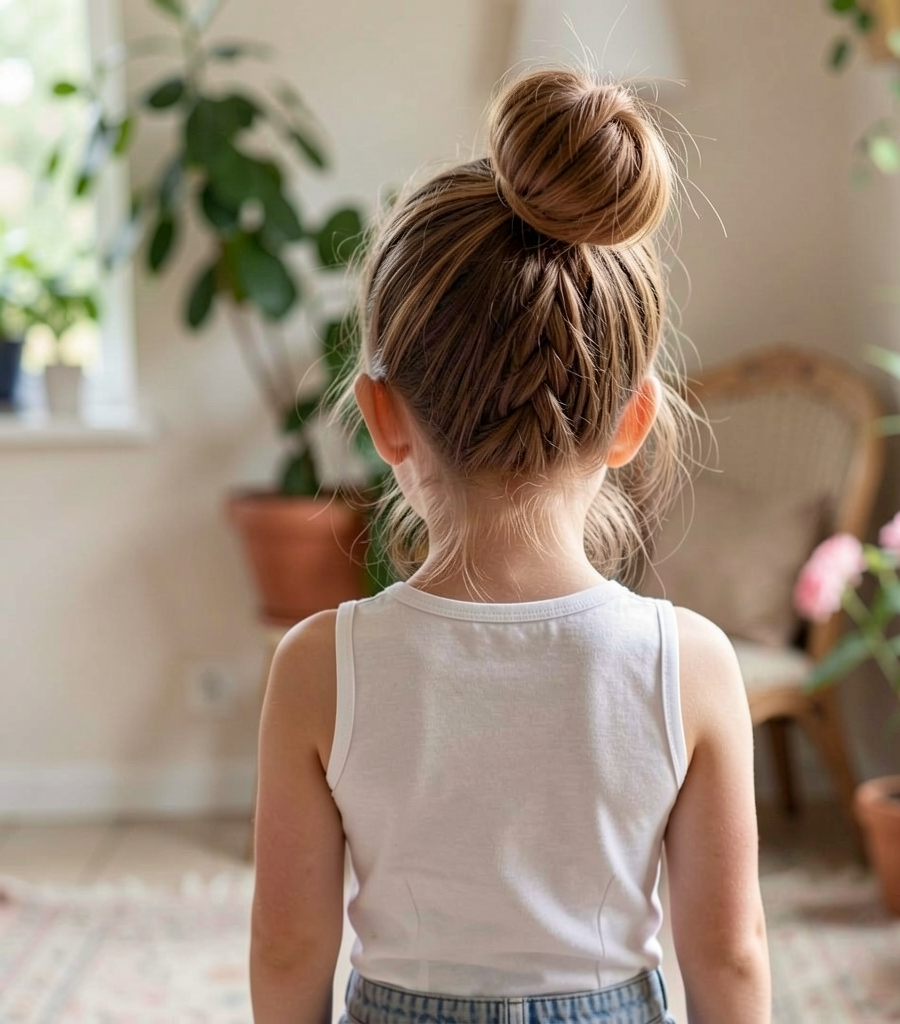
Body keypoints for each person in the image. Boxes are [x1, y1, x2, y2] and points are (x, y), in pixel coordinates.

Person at [250, 65, 770, 1024]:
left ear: (382, 417)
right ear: (633, 421)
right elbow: (729, 956)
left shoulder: (320, 664)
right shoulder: (690, 662)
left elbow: (287, 948)